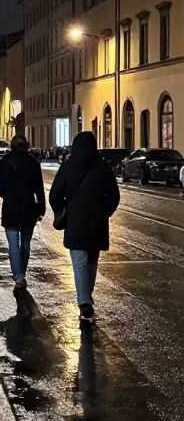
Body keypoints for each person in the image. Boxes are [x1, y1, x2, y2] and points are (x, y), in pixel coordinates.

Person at [49, 130, 119, 323]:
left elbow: (55, 194)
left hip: (76, 223)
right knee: (91, 263)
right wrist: (104, 212)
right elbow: (114, 196)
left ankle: (84, 304)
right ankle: (86, 299)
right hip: (97, 225)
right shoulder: (103, 167)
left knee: (79, 264)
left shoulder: (68, 167)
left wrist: (63, 209)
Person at [0, 135, 45, 292]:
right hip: (28, 207)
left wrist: (8, 195)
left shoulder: (4, 163)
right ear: (27, 146)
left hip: (10, 207)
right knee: (26, 243)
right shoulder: (33, 164)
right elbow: (39, 189)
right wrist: (41, 208)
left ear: (12, 147)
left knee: (13, 244)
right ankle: (22, 271)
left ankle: (18, 275)